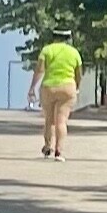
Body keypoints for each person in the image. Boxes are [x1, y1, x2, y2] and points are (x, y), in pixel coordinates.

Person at [35, 31, 82, 159]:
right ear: (68, 39)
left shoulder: (46, 50)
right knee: (61, 121)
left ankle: (47, 146)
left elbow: (40, 70)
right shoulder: (74, 52)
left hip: (49, 87)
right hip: (68, 87)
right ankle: (58, 151)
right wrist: (77, 87)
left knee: (49, 120)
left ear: (54, 37)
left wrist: (32, 87)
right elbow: (78, 74)